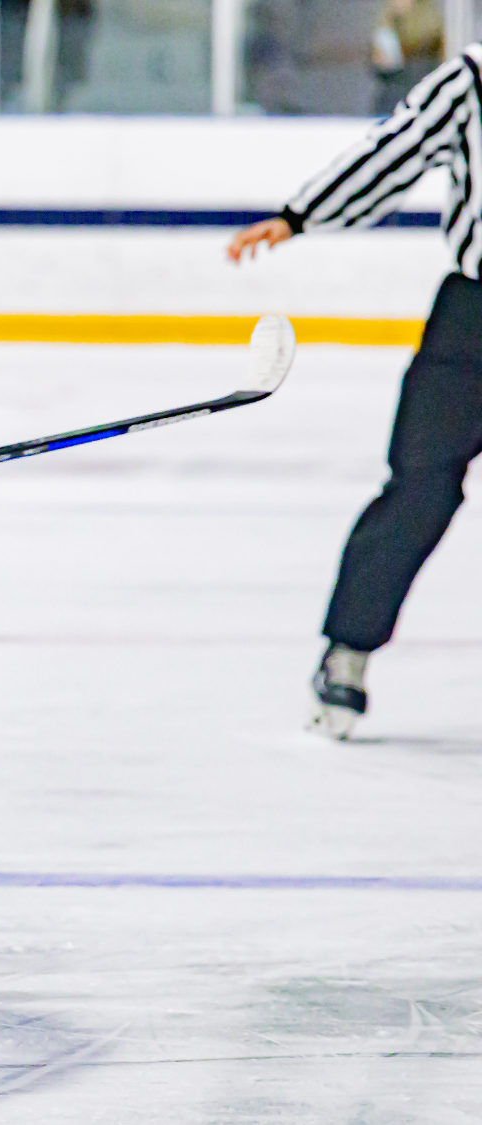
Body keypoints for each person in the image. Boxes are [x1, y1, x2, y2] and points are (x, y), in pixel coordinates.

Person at [226, 42, 482, 739]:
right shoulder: (473, 76)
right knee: (420, 485)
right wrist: (302, 213)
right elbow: (393, 150)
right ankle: (348, 652)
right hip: (473, 324)